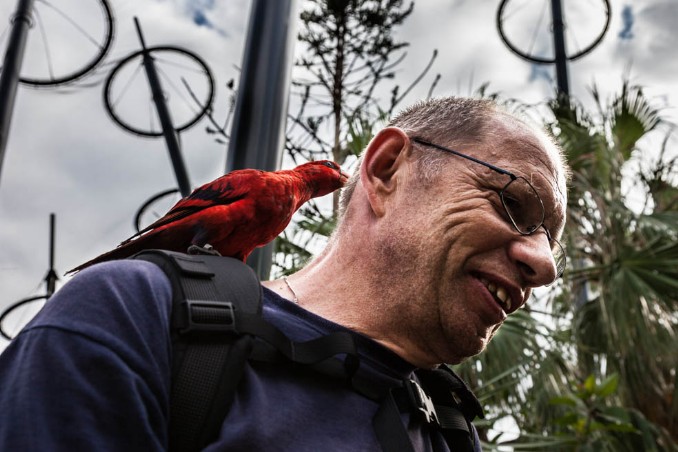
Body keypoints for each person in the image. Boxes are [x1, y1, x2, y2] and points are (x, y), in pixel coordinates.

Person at [0, 96, 568, 451]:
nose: (543, 265)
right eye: (513, 204)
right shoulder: (136, 315)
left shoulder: (450, 425)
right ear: (386, 169)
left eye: (553, 247)